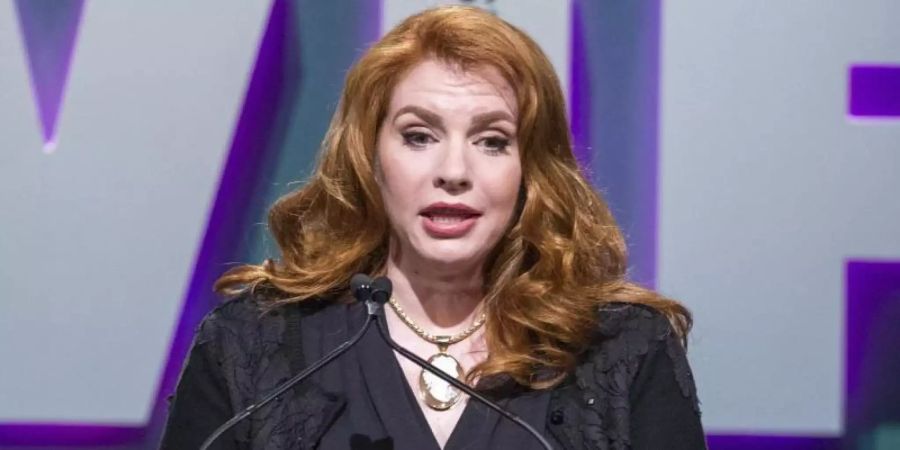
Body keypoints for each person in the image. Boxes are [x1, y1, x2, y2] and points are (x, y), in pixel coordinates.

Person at [160, 5, 705, 450]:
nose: (453, 172)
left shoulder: (621, 348)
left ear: (530, 170)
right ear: (369, 157)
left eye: (492, 141)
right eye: (419, 136)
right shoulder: (252, 344)